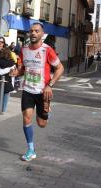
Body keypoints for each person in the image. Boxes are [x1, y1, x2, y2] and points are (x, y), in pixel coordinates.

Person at [14, 22, 64, 161]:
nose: (33, 33)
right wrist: (16, 72)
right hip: (28, 89)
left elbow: (60, 68)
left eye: (36, 31)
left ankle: (46, 112)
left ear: (42, 33)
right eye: (31, 31)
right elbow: (22, 69)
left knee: (41, 124)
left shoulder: (47, 50)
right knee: (26, 117)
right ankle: (31, 149)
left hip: (43, 91)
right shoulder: (24, 50)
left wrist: (50, 85)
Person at [0, 37, 16, 113]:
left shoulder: (6, 50)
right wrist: (8, 64)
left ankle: (2, 109)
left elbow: (12, 61)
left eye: (2, 42)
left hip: (6, 75)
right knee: (0, 91)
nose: (0, 43)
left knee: (6, 91)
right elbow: (1, 63)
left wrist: (8, 63)